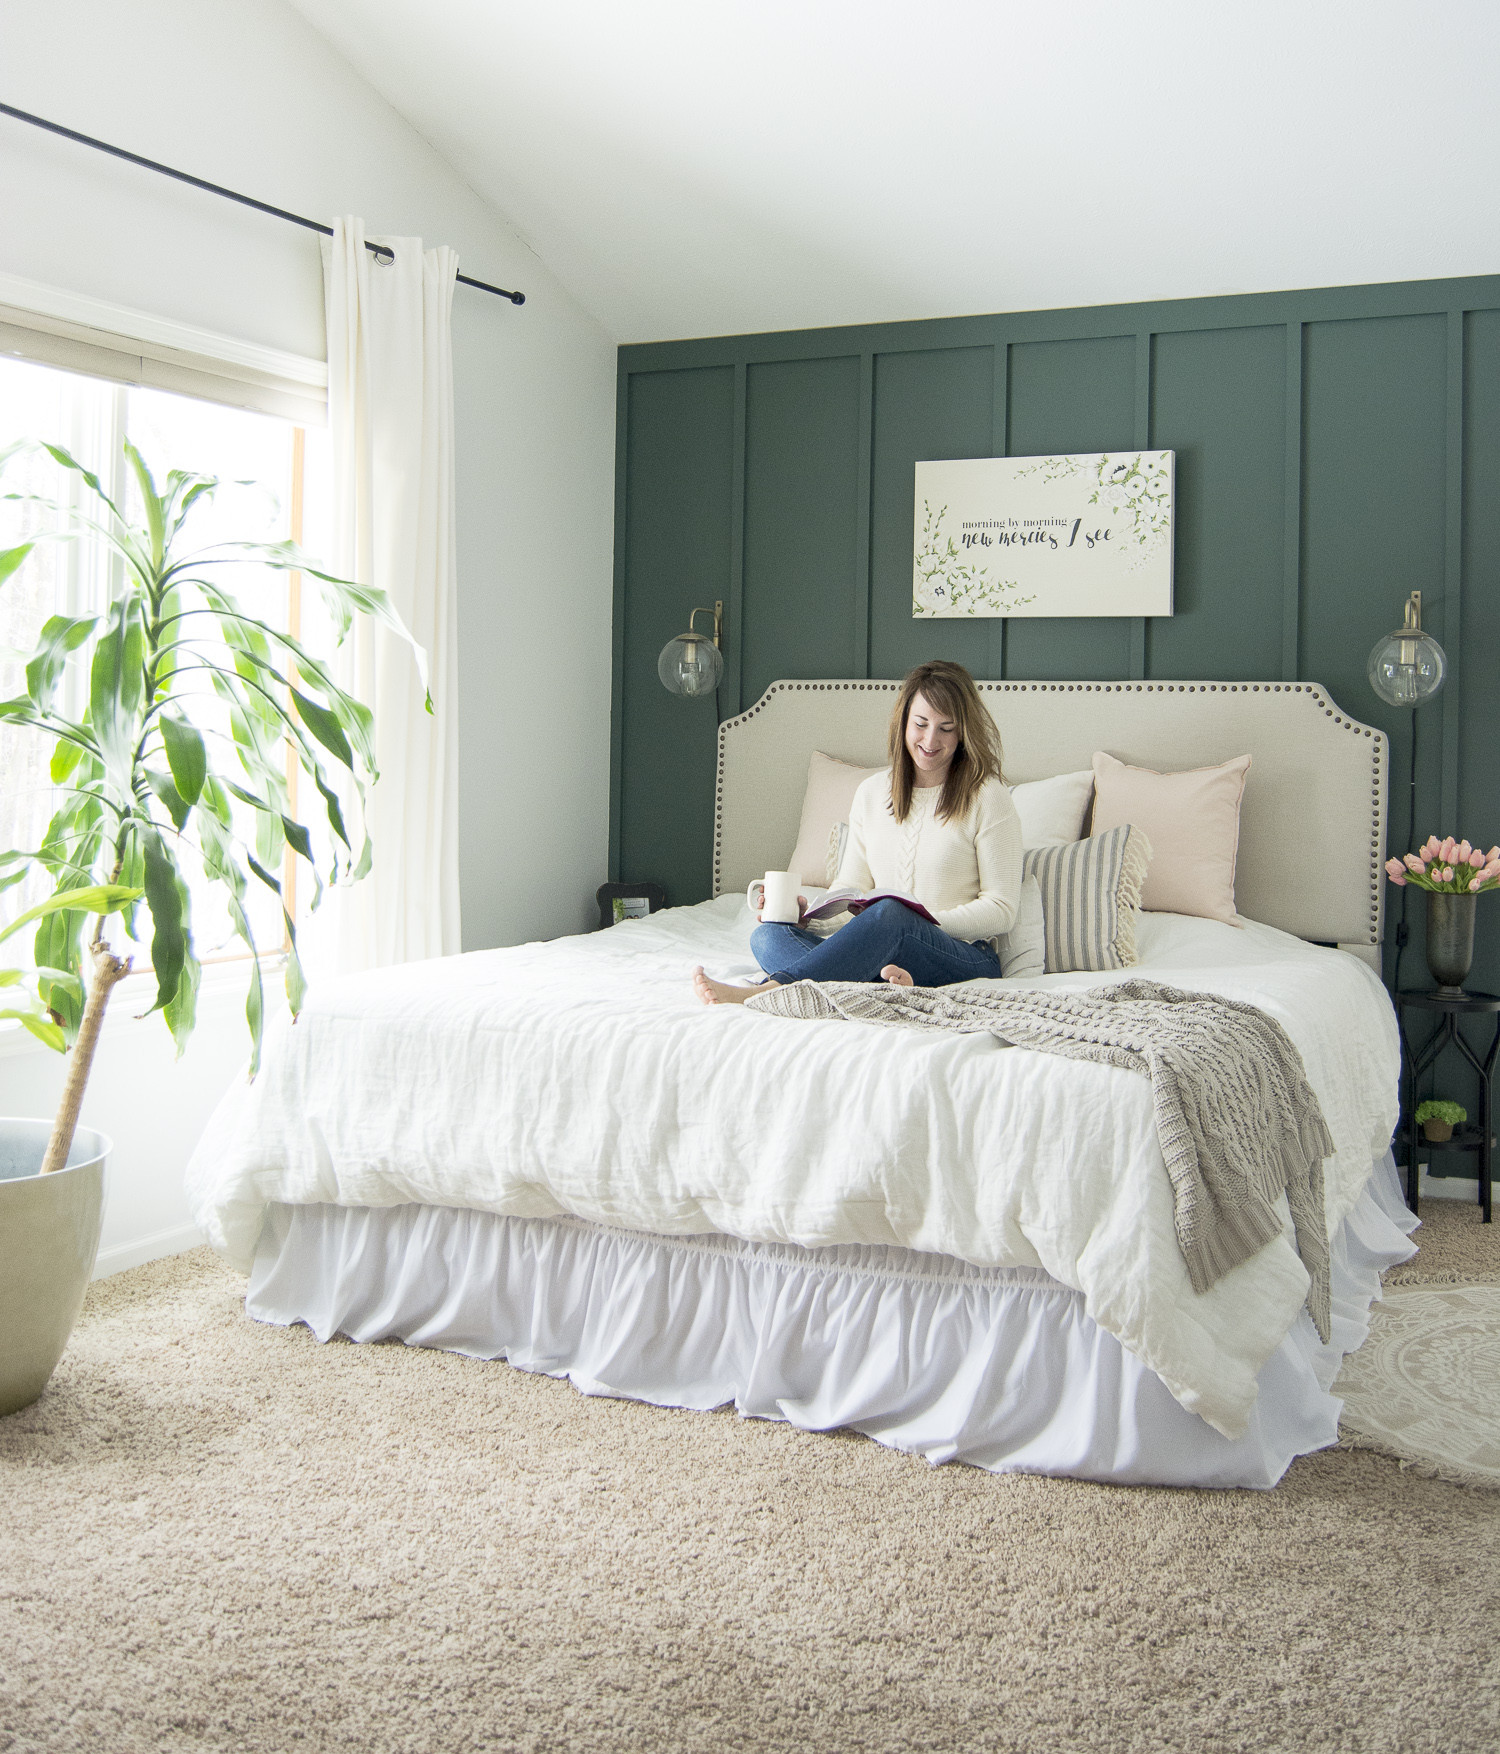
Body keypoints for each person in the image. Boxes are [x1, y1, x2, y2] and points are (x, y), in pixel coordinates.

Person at [693, 660, 1022, 1004]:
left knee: (892, 913)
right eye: (921, 724)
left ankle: (773, 991)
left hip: (964, 955)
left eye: (946, 728)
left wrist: (919, 922)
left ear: (964, 732)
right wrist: (809, 919)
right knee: (767, 936)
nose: (930, 740)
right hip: (886, 947)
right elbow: (850, 889)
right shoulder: (872, 792)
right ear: (903, 723)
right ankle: (872, 988)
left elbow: (1001, 909)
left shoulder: (988, 796)